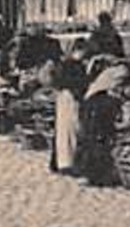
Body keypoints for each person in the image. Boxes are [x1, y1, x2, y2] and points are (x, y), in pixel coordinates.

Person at [76, 62, 124, 188]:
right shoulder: (119, 73)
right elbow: (115, 90)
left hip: (94, 107)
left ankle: (90, 173)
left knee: (92, 140)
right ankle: (95, 174)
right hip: (97, 108)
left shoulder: (110, 73)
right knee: (96, 140)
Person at [49, 45, 89, 176]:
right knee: (71, 130)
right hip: (71, 98)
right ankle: (69, 162)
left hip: (62, 98)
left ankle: (62, 162)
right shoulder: (75, 66)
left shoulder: (63, 65)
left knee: (62, 131)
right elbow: (80, 84)